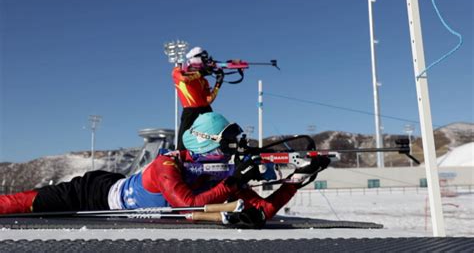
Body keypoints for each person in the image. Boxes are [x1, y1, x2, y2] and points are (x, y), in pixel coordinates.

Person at [0, 113, 330, 227]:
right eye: (226, 143)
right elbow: (182, 203)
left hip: (120, 190)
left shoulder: (219, 173)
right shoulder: (167, 163)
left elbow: (261, 211)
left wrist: (296, 182)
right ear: (206, 144)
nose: (233, 150)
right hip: (92, 192)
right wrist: (234, 180)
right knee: (23, 203)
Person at [173, 46, 224, 150]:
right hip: (190, 110)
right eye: (202, 58)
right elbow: (184, 79)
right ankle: (181, 154)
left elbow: (208, 100)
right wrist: (201, 73)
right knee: (184, 134)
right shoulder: (178, 70)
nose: (205, 61)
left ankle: (219, 151)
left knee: (216, 130)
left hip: (205, 110)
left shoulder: (203, 80)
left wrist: (218, 83)